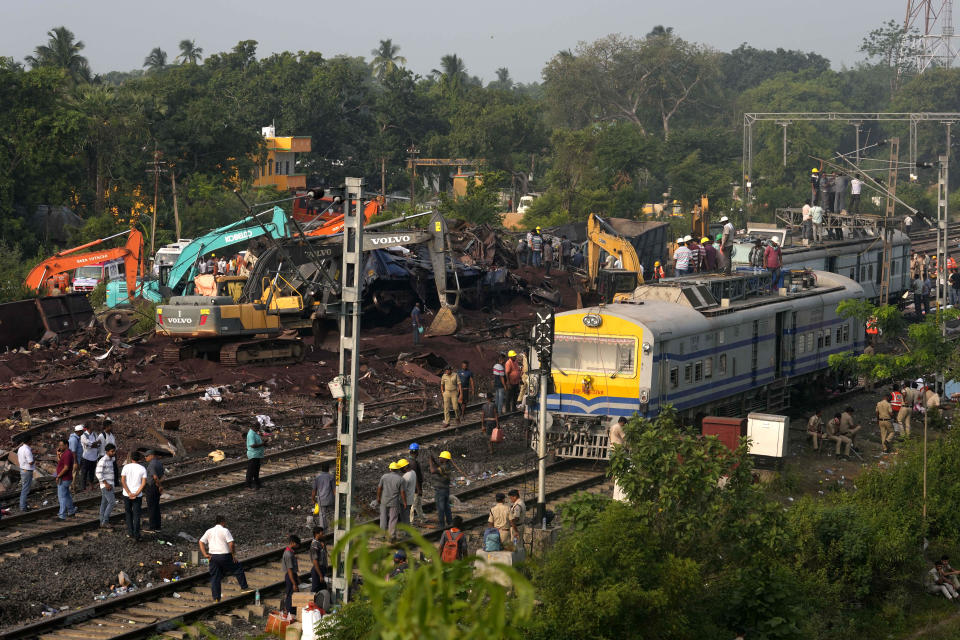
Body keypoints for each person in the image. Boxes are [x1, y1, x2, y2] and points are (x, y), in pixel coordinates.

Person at [199, 515, 250, 603]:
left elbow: (201, 542)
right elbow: (231, 544)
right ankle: (244, 588)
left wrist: (205, 554)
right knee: (238, 569)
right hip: (224, 556)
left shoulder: (209, 531)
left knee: (215, 577)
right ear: (223, 522)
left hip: (213, 557)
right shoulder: (225, 530)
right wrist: (233, 555)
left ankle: (216, 598)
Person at [120, 451, 147, 541]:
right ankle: (136, 534)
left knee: (128, 513)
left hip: (126, 494)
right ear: (139, 459)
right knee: (136, 514)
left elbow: (123, 481)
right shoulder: (142, 468)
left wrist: (128, 493)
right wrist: (136, 493)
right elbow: (143, 484)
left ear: (131, 458)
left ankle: (130, 532)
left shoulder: (125, 467)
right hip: (137, 495)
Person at [376, 461, 405, 541]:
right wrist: (404, 502)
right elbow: (402, 492)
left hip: (384, 500)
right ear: (397, 469)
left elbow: (379, 488)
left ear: (390, 469)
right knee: (393, 519)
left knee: (383, 518)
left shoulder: (384, 477)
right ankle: (391, 536)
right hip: (394, 502)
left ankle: (382, 535)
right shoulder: (400, 479)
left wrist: (378, 498)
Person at [55, 437, 78, 520]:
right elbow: (61, 463)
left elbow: (66, 468)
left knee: (62, 497)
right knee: (67, 495)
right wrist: (58, 456)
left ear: (66, 445)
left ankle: (62, 515)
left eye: (62, 445)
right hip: (66, 478)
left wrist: (58, 476)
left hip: (64, 478)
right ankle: (71, 511)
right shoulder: (65, 453)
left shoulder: (67, 454)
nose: (60, 447)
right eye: (59, 445)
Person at [95, 443, 117, 528]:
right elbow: (98, 473)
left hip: (109, 484)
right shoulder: (103, 460)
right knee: (112, 502)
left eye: (114, 451)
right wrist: (106, 483)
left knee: (104, 503)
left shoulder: (111, 459)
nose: (114, 453)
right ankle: (105, 521)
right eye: (112, 451)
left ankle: (102, 521)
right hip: (106, 485)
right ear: (107, 451)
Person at [430, 450, 453, 530]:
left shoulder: (444, 467)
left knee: (441, 508)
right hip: (445, 489)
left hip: (440, 491)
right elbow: (439, 468)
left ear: (445, 459)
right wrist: (434, 462)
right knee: (447, 507)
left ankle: (441, 525)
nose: (439, 458)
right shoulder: (447, 466)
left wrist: (430, 462)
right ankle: (450, 522)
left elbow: (433, 471)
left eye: (441, 458)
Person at [144, 450, 164, 532]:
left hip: (151, 487)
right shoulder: (159, 463)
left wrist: (158, 485)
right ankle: (158, 526)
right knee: (156, 506)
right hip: (156, 487)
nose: (145, 458)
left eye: (146, 456)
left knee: (151, 507)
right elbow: (163, 476)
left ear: (151, 455)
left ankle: (152, 527)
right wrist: (160, 485)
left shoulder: (151, 464)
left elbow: (155, 477)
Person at [311, 463, 335, 530]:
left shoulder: (317, 478)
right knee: (333, 512)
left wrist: (313, 499)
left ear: (321, 469)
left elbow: (314, 490)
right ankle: (335, 526)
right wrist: (337, 498)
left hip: (321, 499)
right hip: (331, 499)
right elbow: (334, 489)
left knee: (322, 515)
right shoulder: (331, 477)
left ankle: (323, 529)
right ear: (328, 469)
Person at [281, 534, 301, 613]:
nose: (298, 546)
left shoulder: (291, 552)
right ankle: (289, 611)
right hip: (290, 576)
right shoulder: (288, 554)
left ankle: (292, 610)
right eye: (297, 544)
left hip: (292, 575)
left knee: (293, 593)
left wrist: (297, 577)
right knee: (290, 594)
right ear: (292, 543)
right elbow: (289, 570)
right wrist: (294, 583)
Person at [407, 443, 426, 524]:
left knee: (418, 504)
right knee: (413, 506)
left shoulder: (408, 461)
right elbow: (415, 478)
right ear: (416, 452)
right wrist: (419, 490)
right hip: (415, 489)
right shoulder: (414, 463)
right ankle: (410, 522)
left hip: (410, 487)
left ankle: (422, 518)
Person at [79, 424, 99, 492]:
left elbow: (98, 444)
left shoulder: (94, 434)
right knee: (84, 473)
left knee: (92, 473)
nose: (93, 427)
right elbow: (90, 444)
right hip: (86, 457)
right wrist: (94, 444)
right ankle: (83, 488)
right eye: (92, 426)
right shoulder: (83, 436)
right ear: (88, 427)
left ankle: (91, 486)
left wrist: (94, 444)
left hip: (94, 457)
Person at [309, 526, 329, 592]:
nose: (323, 535)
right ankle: (311, 601)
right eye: (321, 534)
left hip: (321, 569)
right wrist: (320, 575)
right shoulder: (314, 545)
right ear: (316, 534)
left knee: (323, 589)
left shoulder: (320, 543)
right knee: (315, 589)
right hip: (317, 570)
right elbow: (315, 561)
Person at [17, 436, 34, 512]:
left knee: (24, 488)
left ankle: (23, 505)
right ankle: (23, 507)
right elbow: (30, 462)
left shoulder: (20, 448)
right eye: (31, 440)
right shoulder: (27, 450)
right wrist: (34, 459)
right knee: (25, 489)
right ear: (29, 441)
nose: (32, 441)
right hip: (27, 471)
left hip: (22, 469)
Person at [245, 425, 265, 489]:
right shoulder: (251, 434)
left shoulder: (255, 433)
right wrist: (262, 444)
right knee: (251, 471)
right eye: (257, 427)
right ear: (253, 427)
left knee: (256, 470)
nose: (258, 429)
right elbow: (252, 445)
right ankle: (248, 485)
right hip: (253, 454)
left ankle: (257, 484)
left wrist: (264, 444)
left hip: (257, 454)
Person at [399, 458, 416, 525]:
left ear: (405, 467)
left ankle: (407, 534)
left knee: (405, 518)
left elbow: (402, 491)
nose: (400, 469)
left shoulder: (405, 477)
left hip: (405, 501)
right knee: (406, 517)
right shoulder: (413, 472)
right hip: (410, 499)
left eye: (401, 468)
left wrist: (404, 502)